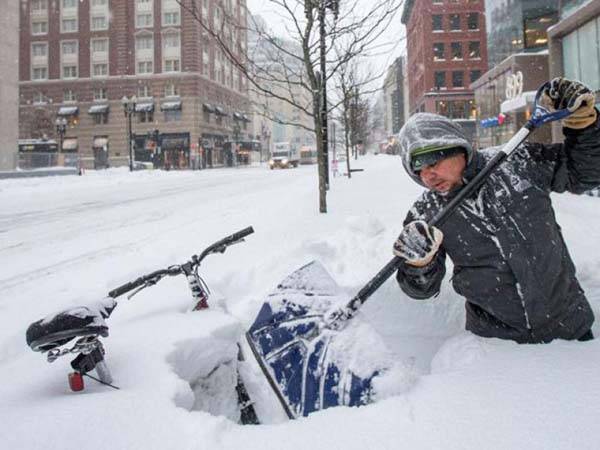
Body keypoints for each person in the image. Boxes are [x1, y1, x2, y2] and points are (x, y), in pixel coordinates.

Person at [393, 78, 599, 344]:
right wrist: (417, 266)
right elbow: (421, 290)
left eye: (433, 160)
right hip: (495, 346)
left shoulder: (519, 163)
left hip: (571, 331)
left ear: (459, 148)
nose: (428, 174)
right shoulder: (426, 215)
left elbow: (585, 174)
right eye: (417, 167)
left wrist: (584, 126)